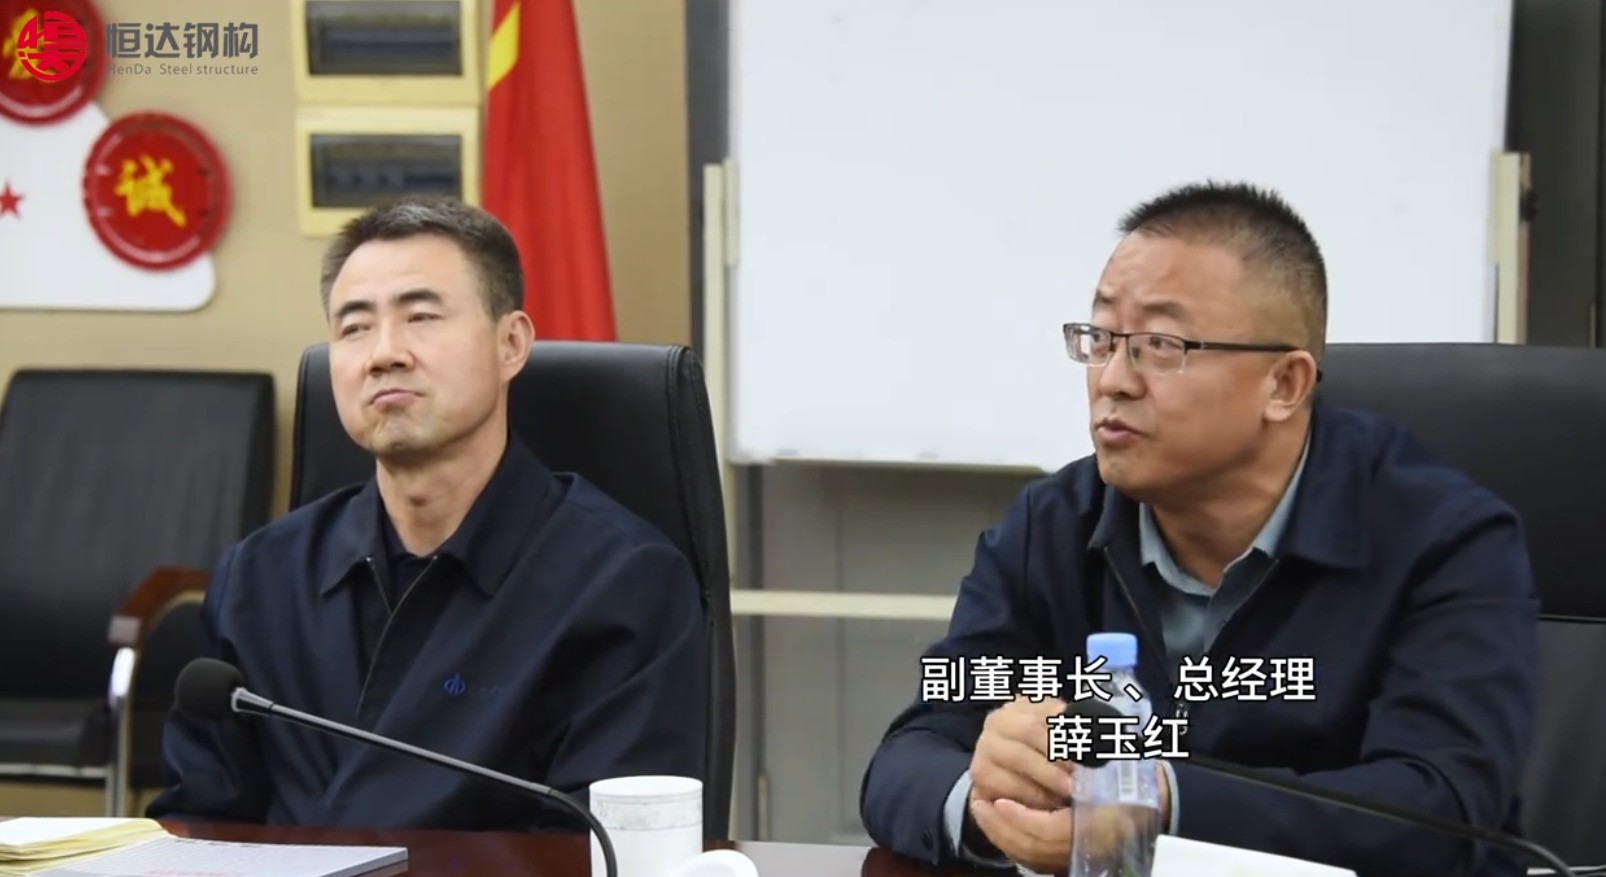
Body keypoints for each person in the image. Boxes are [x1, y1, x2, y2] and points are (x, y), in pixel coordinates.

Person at [859, 181, 1539, 877]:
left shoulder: (1445, 540)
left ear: (1284, 385)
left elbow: (1443, 808)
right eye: (1101, 339)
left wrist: (1160, 805)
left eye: (1160, 345)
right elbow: (908, 756)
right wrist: (985, 801)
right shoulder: (1053, 524)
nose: (1113, 380)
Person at [147, 196, 707, 830]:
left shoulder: (621, 582)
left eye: (420, 317)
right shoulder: (260, 575)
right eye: (354, 327)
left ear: (511, 344)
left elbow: (600, 847)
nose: (384, 353)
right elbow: (199, 824)